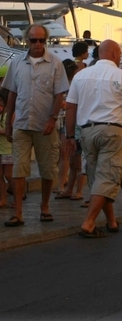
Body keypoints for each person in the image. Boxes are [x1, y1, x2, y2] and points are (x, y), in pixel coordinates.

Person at [64, 39, 122, 238]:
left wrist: (69, 136)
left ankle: (111, 221)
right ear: (116, 55)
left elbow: (70, 108)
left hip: (87, 131)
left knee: (97, 177)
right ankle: (89, 222)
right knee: (108, 176)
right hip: (112, 130)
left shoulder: (80, 76)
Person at [2, 24, 69, 227]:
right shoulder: (17, 63)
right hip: (22, 123)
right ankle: (19, 212)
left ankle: (45, 206)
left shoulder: (56, 64)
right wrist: (8, 120)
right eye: (34, 40)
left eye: (41, 40)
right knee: (19, 169)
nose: (38, 44)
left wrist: (52, 118)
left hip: (44, 125)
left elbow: (59, 95)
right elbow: (12, 93)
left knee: (48, 169)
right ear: (27, 40)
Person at [55, 59, 86, 201]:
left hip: (77, 127)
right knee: (73, 161)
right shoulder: (71, 84)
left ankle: (78, 191)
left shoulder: (77, 85)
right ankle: (68, 189)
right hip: (70, 127)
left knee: (78, 163)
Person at [0, 91, 12, 208]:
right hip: (0, 149)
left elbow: (11, 131)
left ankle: (17, 194)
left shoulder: (11, 114)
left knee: (9, 175)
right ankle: (3, 199)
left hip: (8, 150)